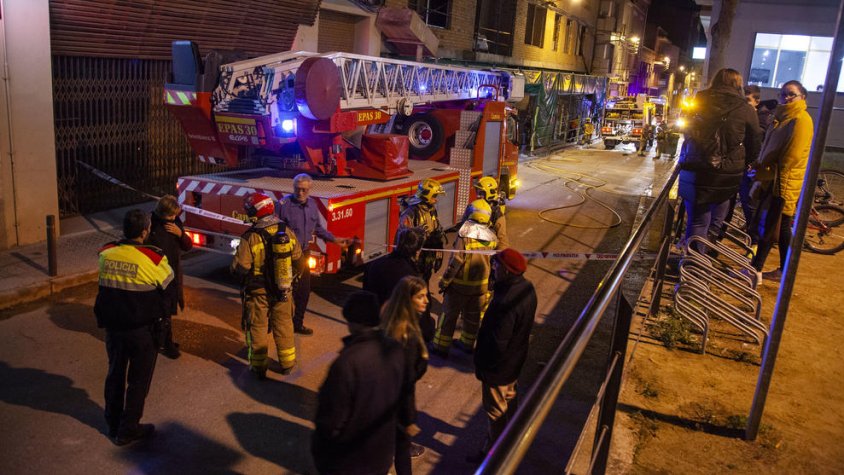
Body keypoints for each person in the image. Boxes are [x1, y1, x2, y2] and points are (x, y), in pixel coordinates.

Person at [94, 209, 174, 446]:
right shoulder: (154, 258)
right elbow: (168, 287)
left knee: (115, 375)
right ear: (144, 232)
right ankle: (129, 429)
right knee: (138, 381)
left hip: (113, 330)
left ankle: (113, 423)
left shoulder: (106, 254)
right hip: (142, 332)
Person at [312, 291, 412, 475]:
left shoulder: (347, 362)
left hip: (350, 461)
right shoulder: (396, 350)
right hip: (381, 455)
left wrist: (321, 452)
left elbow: (330, 421)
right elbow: (405, 402)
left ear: (352, 322)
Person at [678, 68, 761, 252]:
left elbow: (687, 128)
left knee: (697, 221)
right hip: (728, 172)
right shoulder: (745, 108)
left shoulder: (699, 101)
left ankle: (693, 261)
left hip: (697, 167)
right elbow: (755, 141)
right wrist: (744, 161)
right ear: (738, 84)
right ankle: (705, 256)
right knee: (717, 219)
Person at [470, 248, 536, 463]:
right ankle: (508, 443)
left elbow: (498, 343)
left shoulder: (505, 301)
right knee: (509, 404)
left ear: (507, 271)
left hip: (498, 370)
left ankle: (494, 458)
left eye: (497, 266)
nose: (494, 268)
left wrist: (484, 365)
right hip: (514, 364)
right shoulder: (527, 288)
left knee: (496, 413)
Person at [231, 192, 303, 379]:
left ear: (256, 211)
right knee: (284, 324)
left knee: (258, 327)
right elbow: (298, 259)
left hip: (258, 292)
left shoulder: (250, 236)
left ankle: (259, 367)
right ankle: (287, 363)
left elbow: (241, 268)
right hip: (283, 289)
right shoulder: (285, 230)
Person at [750, 80, 814, 281]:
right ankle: (785, 270)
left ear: (802, 96)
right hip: (774, 179)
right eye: (783, 93)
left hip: (782, 182)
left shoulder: (800, 120)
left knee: (771, 227)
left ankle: (756, 270)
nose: (786, 97)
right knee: (781, 227)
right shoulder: (782, 118)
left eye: (791, 94)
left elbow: (791, 157)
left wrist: (768, 171)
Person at [278, 173, 351, 336]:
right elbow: (275, 231)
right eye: (297, 189)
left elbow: (318, 228)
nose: (300, 192)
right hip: (285, 255)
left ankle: (297, 323)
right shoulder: (283, 205)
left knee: (303, 292)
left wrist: (335, 240)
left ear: (309, 190)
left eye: (304, 190)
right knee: (283, 292)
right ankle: (281, 324)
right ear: (293, 188)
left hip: (303, 254)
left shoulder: (312, 205)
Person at [434, 199, 498, 357]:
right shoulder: (492, 237)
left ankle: (441, 347)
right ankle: (467, 344)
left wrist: (445, 281)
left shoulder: (465, 236)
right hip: (480, 288)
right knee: (472, 319)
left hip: (459, 287)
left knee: (448, 317)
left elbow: (456, 261)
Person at [381, 276, 431, 473]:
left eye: (426, 295)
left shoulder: (391, 319)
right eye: (420, 297)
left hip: (383, 401)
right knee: (401, 451)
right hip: (396, 406)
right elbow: (406, 382)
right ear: (407, 299)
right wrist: (409, 418)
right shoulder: (406, 335)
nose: (426, 301)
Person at [363, 227, 435, 341]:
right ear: (417, 251)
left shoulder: (375, 265)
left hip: (374, 331)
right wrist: (429, 330)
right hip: (398, 336)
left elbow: (366, 297)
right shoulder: (413, 279)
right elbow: (422, 317)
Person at [145, 194, 192, 359]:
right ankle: (165, 343)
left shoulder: (175, 223)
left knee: (167, 310)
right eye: (171, 215)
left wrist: (180, 234)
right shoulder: (150, 225)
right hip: (157, 275)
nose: (173, 218)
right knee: (162, 311)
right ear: (162, 213)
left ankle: (164, 340)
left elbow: (187, 246)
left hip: (172, 274)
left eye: (175, 215)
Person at [398, 177, 447, 284]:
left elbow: (436, 230)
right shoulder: (411, 212)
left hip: (427, 258)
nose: (436, 199)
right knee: (414, 284)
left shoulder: (431, 209)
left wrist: (439, 254)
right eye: (434, 196)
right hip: (416, 260)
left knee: (425, 280)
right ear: (426, 195)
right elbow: (405, 240)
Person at [468, 176, 509, 249]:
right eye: (477, 192)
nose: (478, 196)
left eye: (481, 193)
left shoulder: (496, 214)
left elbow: (502, 241)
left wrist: (501, 255)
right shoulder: (473, 207)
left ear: (490, 193)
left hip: (488, 252)